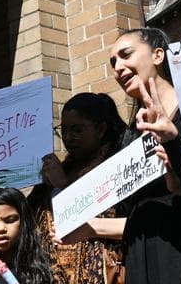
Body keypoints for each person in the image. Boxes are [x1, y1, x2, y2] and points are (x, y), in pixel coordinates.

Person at [102, 27, 181, 284]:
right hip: (144, 258)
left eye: (126, 55)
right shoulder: (130, 138)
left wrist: (177, 171)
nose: (118, 67)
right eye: (113, 62)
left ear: (158, 55)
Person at [31, 93, 130, 284]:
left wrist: (64, 187)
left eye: (77, 130)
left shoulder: (118, 166)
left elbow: (116, 218)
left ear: (101, 129)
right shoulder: (64, 168)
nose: (68, 138)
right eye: (64, 130)